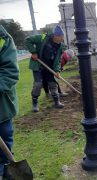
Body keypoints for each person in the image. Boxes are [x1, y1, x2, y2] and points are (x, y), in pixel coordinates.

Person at [25, 25, 66, 112]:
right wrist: (33, 52)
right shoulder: (42, 38)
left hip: (50, 67)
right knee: (38, 84)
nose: (62, 40)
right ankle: (35, 104)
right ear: (56, 36)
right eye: (61, 38)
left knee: (53, 84)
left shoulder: (60, 46)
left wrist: (57, 70)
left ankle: (56, 102)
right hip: (38, 65)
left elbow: (58, 60)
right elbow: (28, 40)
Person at [0, 25, 19, 179]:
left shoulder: (2, 37)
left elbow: (10, 72)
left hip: (2, 108)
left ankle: (7, 172)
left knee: (4, 147)